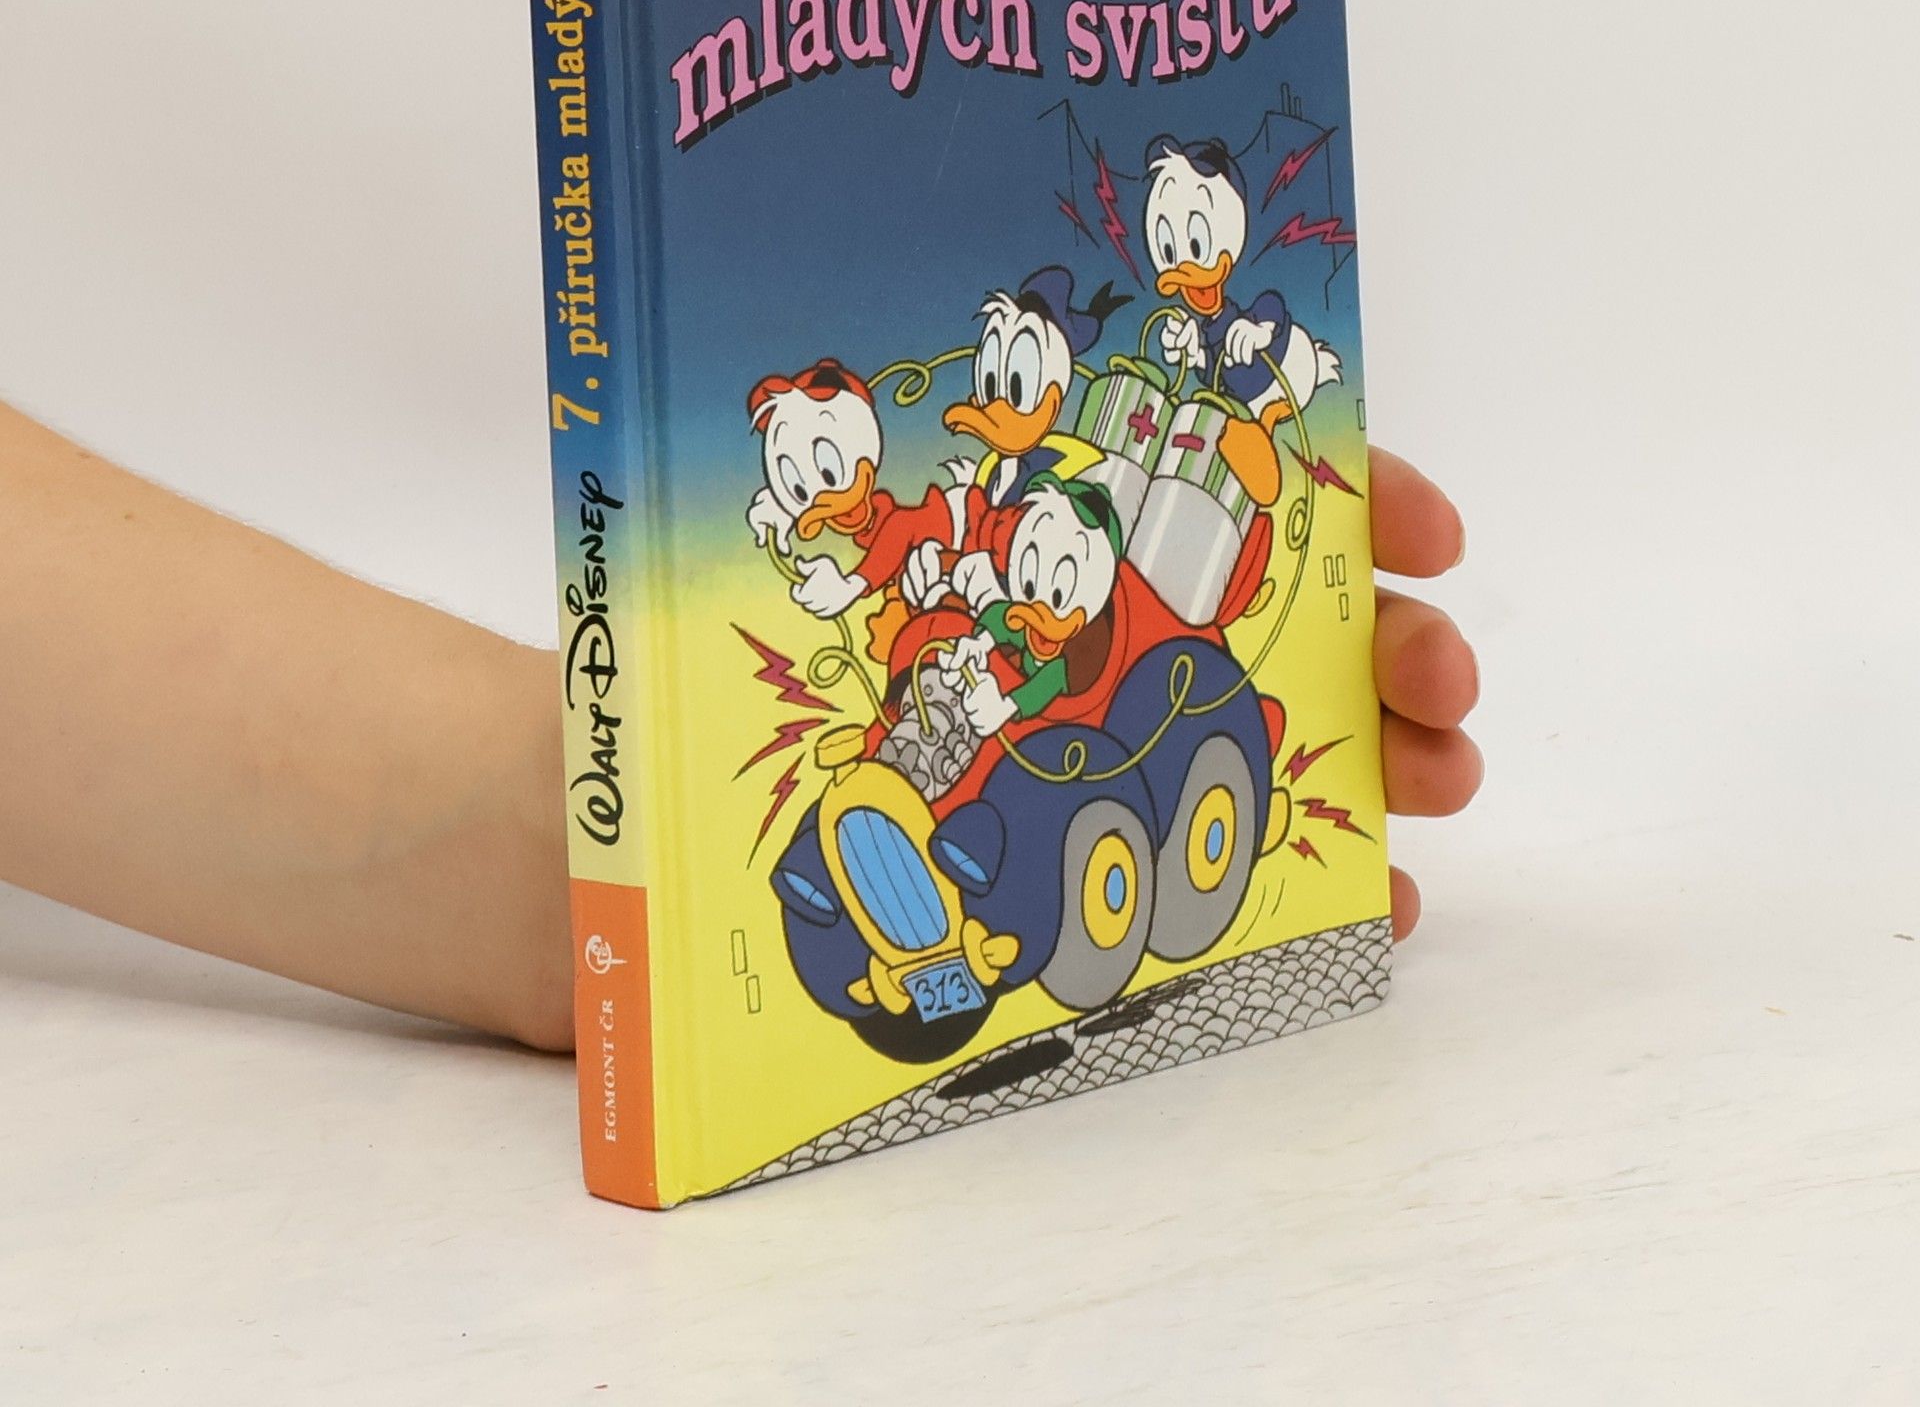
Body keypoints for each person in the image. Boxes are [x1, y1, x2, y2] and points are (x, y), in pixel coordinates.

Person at [0, 398, 1480, 1054]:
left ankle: (883, 895)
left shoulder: (1113, 606)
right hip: (995, 725)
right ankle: (899, 898)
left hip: (1072, 718)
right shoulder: (998, 582)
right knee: (916, 761)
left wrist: (576, 811)